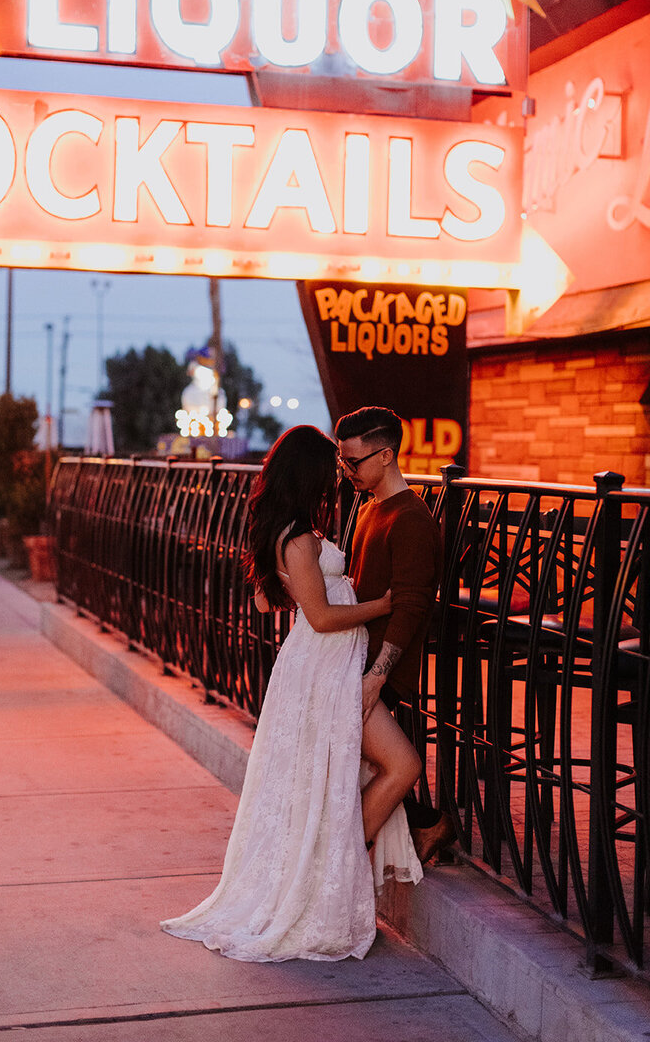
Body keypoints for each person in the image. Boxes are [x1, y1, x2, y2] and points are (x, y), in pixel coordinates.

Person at [161, 425, 422, 962]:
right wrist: (381, 604)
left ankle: (330, 864)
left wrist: (308, 587)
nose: (339, 475)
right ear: (308, 472)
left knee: (322, 781)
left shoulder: (286, 530)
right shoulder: (298, 536)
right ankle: (331, 869)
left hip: (317, 663)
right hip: (325, 664)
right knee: (395, 765)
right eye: (332, 467)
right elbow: (322, 617)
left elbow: (266, 604)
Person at [335, 406, 455, 865]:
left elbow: (411, 606)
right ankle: (429, 825)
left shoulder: (411, 518)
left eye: (354, 462)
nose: (347, 472)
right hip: (354, 658)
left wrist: (377, 677)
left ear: (386, 456)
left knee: (379, 768)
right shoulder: (369, 508)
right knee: (343, 769)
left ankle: (340, 872)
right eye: (342, 461)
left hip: (379, 669)